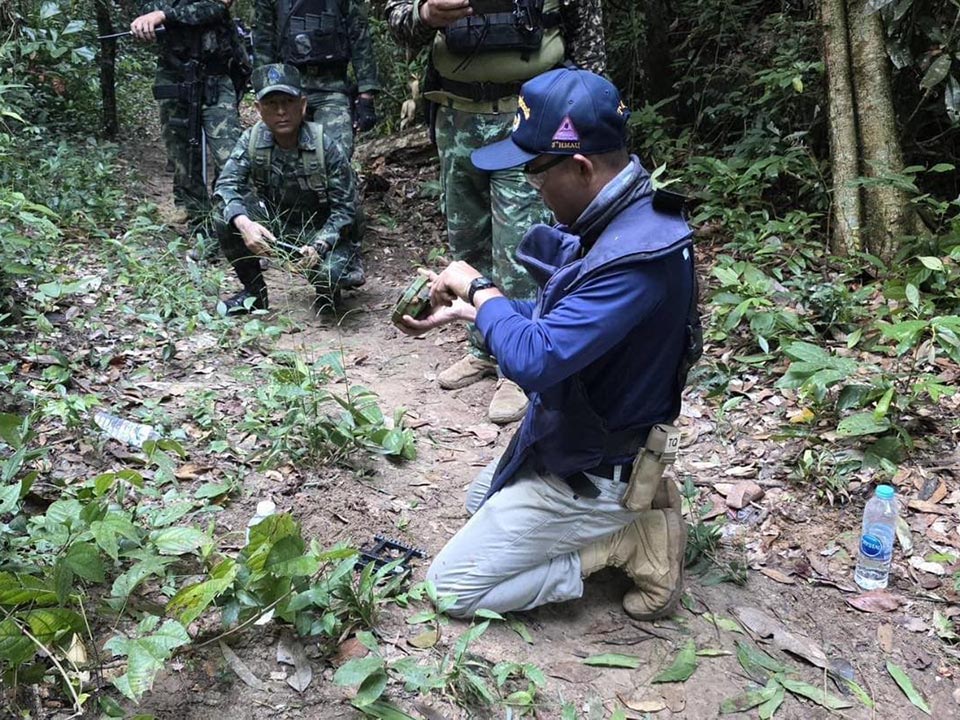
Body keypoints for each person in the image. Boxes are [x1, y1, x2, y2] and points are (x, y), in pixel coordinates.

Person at [399, 68, 701, 619]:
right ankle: (627, 514)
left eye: (536, 174)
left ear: (581, 167)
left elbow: (535, 359)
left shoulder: (635, 259)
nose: (534, 189)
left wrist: (479, 286)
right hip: (576, 440)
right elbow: (557, 324)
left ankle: (624, 541)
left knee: (449, 590)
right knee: (477, 501)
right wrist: (473, 310)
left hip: (596, 468)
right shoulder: (620, 220)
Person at [385, 0, 606, 426]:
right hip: (456, 116)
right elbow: (397, 24)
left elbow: (590, 45)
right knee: (466, 241)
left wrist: (586, 124)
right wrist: (425, 14)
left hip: (532, 119)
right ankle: (483, 348)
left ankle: (519, 365)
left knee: (521, 248)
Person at [212, 63, 363, 313]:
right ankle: (254, 294)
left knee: (329, 275)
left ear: (302, 105)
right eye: (272, 104)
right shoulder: (252, 140)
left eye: (288, 102)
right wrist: (245, 224)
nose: (281, 111)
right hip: (277, 226)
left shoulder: (325, 146)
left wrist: (319, 245)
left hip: (320, 231)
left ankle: (328, 290)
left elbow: (346, 210)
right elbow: (226, 186)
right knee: (224, 215)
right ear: (259, 109)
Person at [131, 0, 245, 259]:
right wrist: (145, 25)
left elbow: (217, 6)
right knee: (183, 160)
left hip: (216, 74)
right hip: (174, 73)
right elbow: (146, 13)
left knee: (231, 157)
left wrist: (164, 15)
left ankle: (234, 227)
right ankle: (203, 230)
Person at [253, 0, 381, 158]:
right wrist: (263, 92)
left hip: (332, 87)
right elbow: (263, 40)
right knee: (284, 158)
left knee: (338, 156)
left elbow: (359, 34)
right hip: (288, 90)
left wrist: (366, 91)